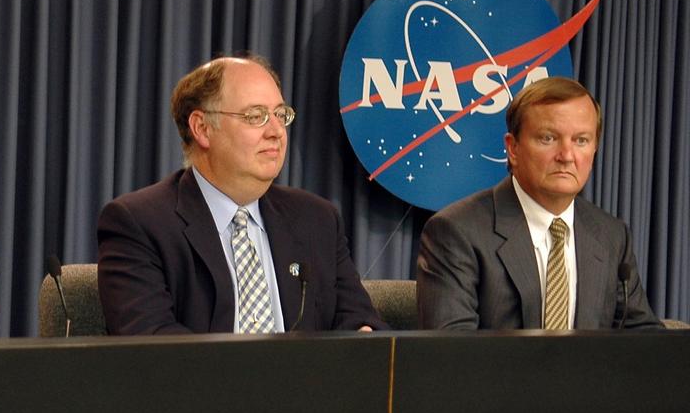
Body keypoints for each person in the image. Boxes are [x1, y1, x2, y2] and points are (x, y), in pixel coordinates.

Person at [97, 54, 384, 334]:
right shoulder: (139, 223)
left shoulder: (317, 219)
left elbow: (358, 320)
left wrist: (362, 338)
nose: (276, 131)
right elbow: (151, 343)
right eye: (255, 116)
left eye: (280, 115)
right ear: (202, 128)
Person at [416, 77, 663, 330]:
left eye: (581, 140)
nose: (566, 156)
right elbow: (451, 353)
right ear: (513, 148)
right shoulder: (457, 232)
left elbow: (643, 337)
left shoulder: (611, 235)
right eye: (548, 138)